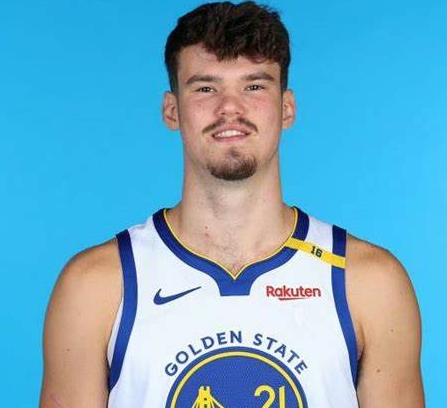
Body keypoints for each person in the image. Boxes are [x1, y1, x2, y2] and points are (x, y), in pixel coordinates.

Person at [39, 2, 424, 407]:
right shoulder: (96, 285)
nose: (230, 108)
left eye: (254, 86)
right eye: (205, 88)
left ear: (287, 108)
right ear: (172, 110)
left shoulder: (367, 282)